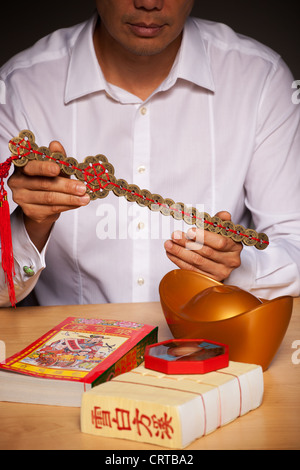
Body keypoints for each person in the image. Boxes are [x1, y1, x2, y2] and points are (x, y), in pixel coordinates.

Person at [0, 0, 299, 308]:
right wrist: (31, 225)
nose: (149, 3)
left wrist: (239, 268)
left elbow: (296, 246)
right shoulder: (19, 88)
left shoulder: (260, 78)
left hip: (214, 345)